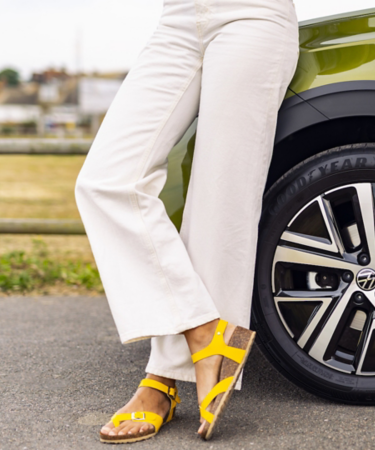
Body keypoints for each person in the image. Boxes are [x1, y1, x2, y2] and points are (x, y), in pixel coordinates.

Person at [73, 0, 299, 443]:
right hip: (178, 18)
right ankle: (203, 330)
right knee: (106, 181)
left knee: (219, 204)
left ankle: (160, 382)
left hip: (253, 16)